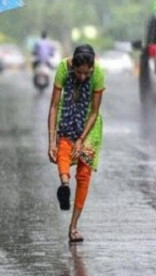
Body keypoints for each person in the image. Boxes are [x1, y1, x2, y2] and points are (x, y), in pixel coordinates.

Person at [47, 43, 105, 243]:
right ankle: (64, 185)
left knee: (84, 173)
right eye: (78, 73)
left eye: (85, 73)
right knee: (62, 148)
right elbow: (54, 105)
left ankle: (73, 227)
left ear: (91, 68)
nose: (82, 77)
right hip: (67, 115)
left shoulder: (98, 74)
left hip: (89, 125)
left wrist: (81, 139)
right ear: (73, 67)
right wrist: (50, 141)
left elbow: (95, 111)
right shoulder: (63, 68)